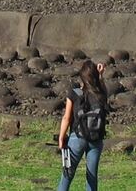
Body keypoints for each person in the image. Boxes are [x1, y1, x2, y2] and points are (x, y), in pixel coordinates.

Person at [55, 60, 109, 191]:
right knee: (92, 177)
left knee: (67, 174)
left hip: (77, 137)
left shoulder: (74, 93)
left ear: (82, 76)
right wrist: (100, 75)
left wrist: (61, 138)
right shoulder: (101, 93)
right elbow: (102, 88)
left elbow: (67, 118)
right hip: (96, 139)